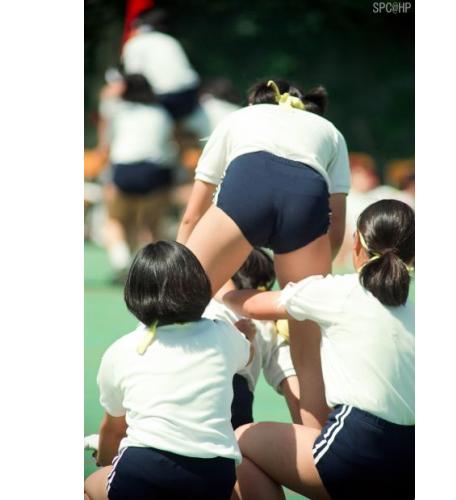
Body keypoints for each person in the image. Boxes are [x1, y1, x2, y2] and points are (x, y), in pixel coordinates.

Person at [177, 78, 351, 429]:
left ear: (254, 101)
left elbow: (192, 217)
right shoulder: (331, 132)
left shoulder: (239, 118)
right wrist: (304, 298)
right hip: (306, 201)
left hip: (249, 185)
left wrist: (180, 280)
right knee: (307, 357)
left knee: (177, 310)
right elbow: (334, 232)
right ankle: (317, 448)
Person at [224, 199, 415, 500]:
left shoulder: (338, 291)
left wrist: (223, 288)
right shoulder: (415, 314)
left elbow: (250, 305)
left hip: (357, 447)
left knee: (238, 441)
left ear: (356, 244)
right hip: (411, 463)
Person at [83, 241, 251, 500]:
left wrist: (106, 461)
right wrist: (244, 335)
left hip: (143, 469)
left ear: (135, 293)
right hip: (214, 474)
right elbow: (247, 356)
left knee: (90, 487)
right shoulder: (224, 335)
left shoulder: (122, 350)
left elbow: (113, 429)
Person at [203, 248, 300, 427]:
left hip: (194, 388)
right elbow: (295, 396)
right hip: (237, 405)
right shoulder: (269, 325)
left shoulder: (202, 305)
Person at [99, 73, 179, 278]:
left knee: (115, 220)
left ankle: (121, 260)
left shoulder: (118, 111)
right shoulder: (162, 113)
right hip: (155, 172)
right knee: (151, 225)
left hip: (124, 170)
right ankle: (156, 270)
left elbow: (105, 143)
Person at [122, 8, 202, 122]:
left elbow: (134, 78)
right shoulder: (169, 40)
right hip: (189, 96)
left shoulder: (135, 43)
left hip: (163, 98)